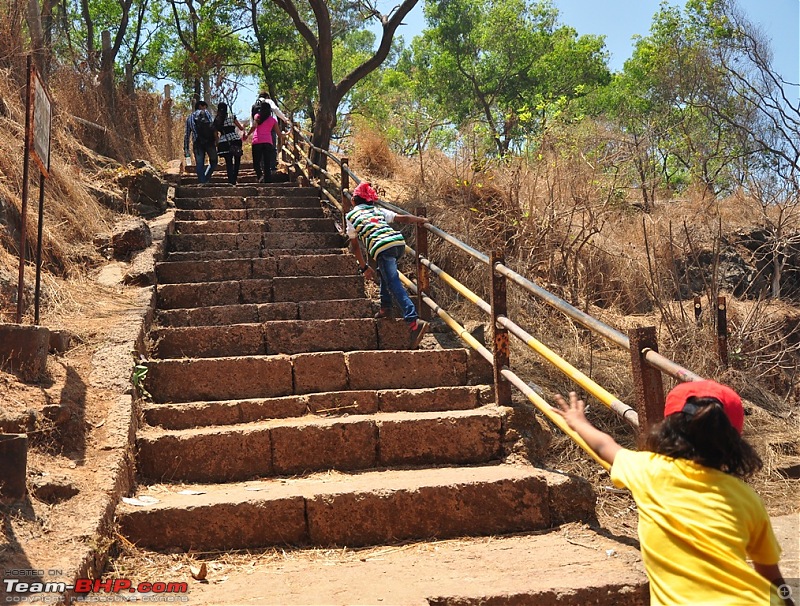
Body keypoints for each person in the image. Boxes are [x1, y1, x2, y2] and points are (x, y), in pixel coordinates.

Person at [553, 380, 794, 606]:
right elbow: (773, 579)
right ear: (735, 441)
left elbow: (605, 446)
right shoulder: (746, 498)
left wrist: (579, 422)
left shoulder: (647, 470)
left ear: (667, 428)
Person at [346, 182, 429, 348]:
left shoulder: (351, 216)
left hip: (382, 248)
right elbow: (402, 218)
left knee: (393, 281)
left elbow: (355, 245)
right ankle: (386, 307)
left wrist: (363, 267)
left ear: (353, 201)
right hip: (397, 244)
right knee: (384, 273)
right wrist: (421, 220)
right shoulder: (377, 210)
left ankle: (413, 320)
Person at [250, 91, 288, 171]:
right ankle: (272, 166)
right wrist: (284, 119)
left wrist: (252, 131)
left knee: (260, 151)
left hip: (258, 131)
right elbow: (275, 109)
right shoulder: (268, 101)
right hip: (270, 127)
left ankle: (262, 167)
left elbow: (252, 119)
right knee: (271, 147)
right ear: (267, 96)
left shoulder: (254, 105)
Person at [245, 104, 282, 183]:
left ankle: (260, 176)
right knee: (267, 163)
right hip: (268, 142)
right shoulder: (273, 120)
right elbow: (279, 134)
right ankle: (268, 181)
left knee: (256, 163)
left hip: (257, 141)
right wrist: (286, 134)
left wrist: (247, 135)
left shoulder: (257, 116)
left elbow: (254, 127)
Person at [183, 100, 217, 183]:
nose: (205, 108)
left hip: (197, 143)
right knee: (214, 161)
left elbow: (187, 134)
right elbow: (212, 126)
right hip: (209, 142)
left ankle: (203, 182)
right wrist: (216, 139)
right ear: (200, 106)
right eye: (204, 106)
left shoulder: (189, 118)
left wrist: (186, 148)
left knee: (199, 164)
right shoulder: (206, 113)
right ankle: (206, 178)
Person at [213, 102, 245, 185]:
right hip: (235, 139)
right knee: (237, 159)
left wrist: (217, 143)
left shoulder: (217, 119)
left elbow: (215, 133)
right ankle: (235, 177)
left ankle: (231, 180)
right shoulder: (232, 116)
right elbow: (240, 128)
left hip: (224, 141)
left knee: (228, 161)